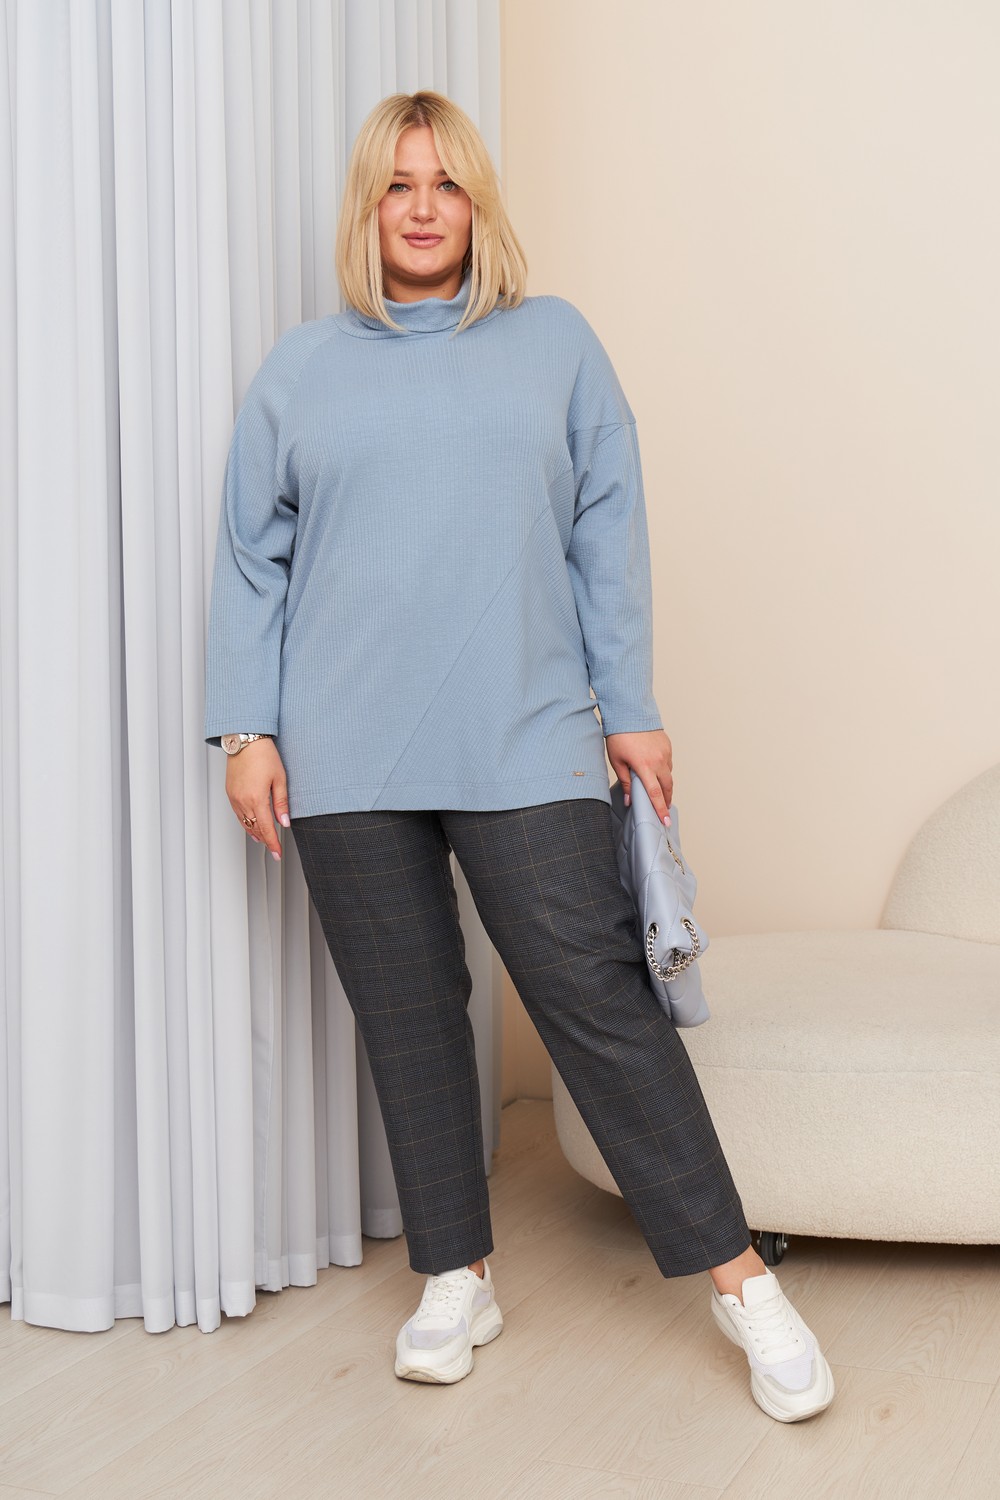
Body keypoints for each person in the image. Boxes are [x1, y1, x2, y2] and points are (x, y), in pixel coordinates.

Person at [203, 89, 834, 1422]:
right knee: (411, 1016)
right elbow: (253, 556)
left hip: (527, 729)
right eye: (397, 185)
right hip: (345, 745)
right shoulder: (301, 369)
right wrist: (246, 729)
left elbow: (609, 527)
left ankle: (741, 1283)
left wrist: (631, 704)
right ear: (368, 208)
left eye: (446, 184)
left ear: (479, 204)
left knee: (597, 1003)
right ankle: (457, 1273)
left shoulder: (555, 344)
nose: (422, 208)